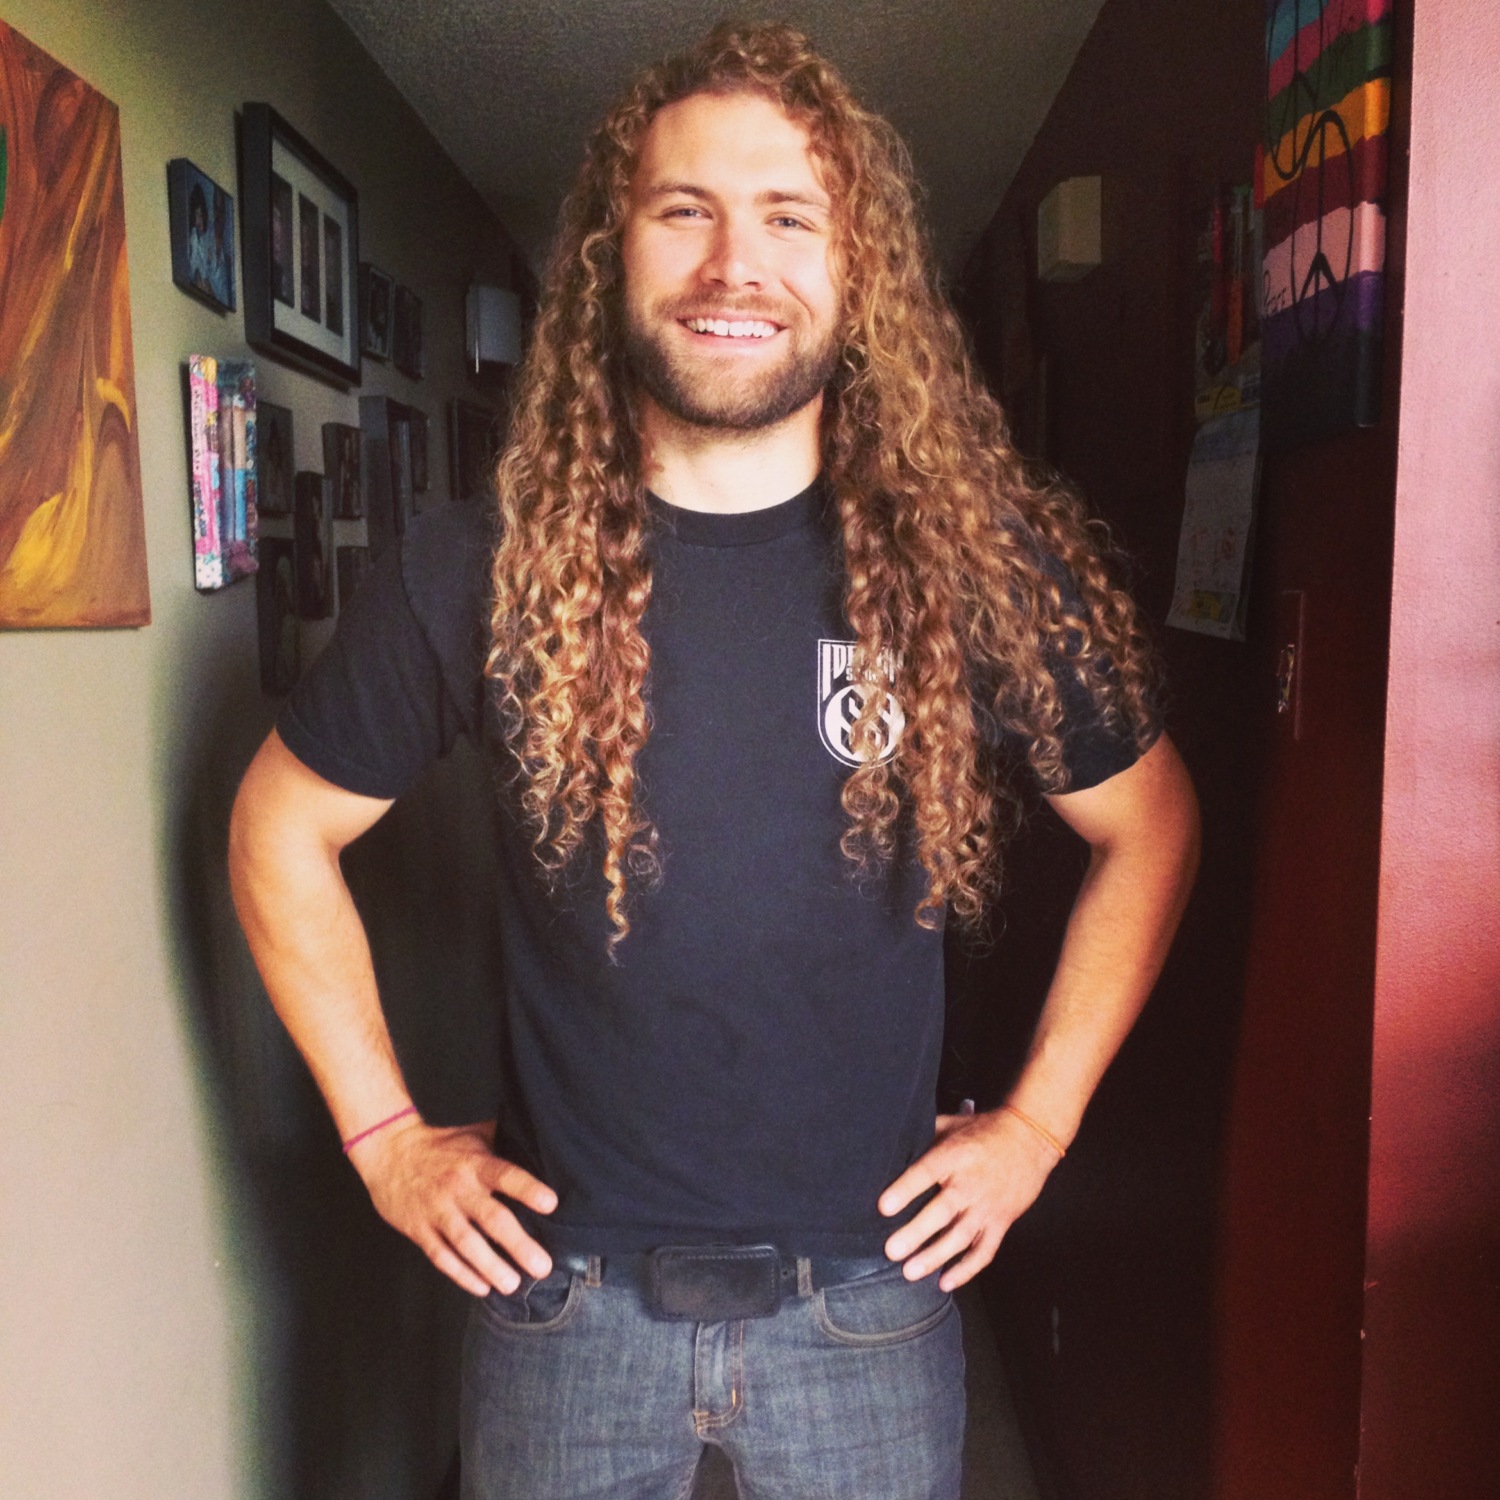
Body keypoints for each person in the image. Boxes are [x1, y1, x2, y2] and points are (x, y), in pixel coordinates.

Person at [229, 22, 1199, 1500]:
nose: (735, 264)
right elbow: (277, 826)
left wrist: (1039, 1127)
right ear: (610, 256)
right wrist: (384, 1140)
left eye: (789, 218)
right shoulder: (478, 569)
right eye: (685, 210)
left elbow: (1152, 824)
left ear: (856, 272)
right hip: (561, 1304)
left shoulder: (967, 571)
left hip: (869, 1292)